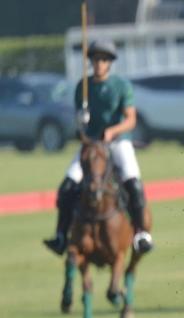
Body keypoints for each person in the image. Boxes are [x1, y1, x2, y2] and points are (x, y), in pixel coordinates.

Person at [43, 39, 153, 255]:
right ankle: (61, 236)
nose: (99, 63)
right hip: (92, 144)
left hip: (118, 142)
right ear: (91, 61)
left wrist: (112, 131)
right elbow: (80, 124)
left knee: (133, 182)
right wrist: (81, 120)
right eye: (96, 59)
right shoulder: (82, 88)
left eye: (104, 59)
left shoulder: (121, 86)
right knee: (67, 186)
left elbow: (131, 120)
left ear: (110, 62)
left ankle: (141, 234)